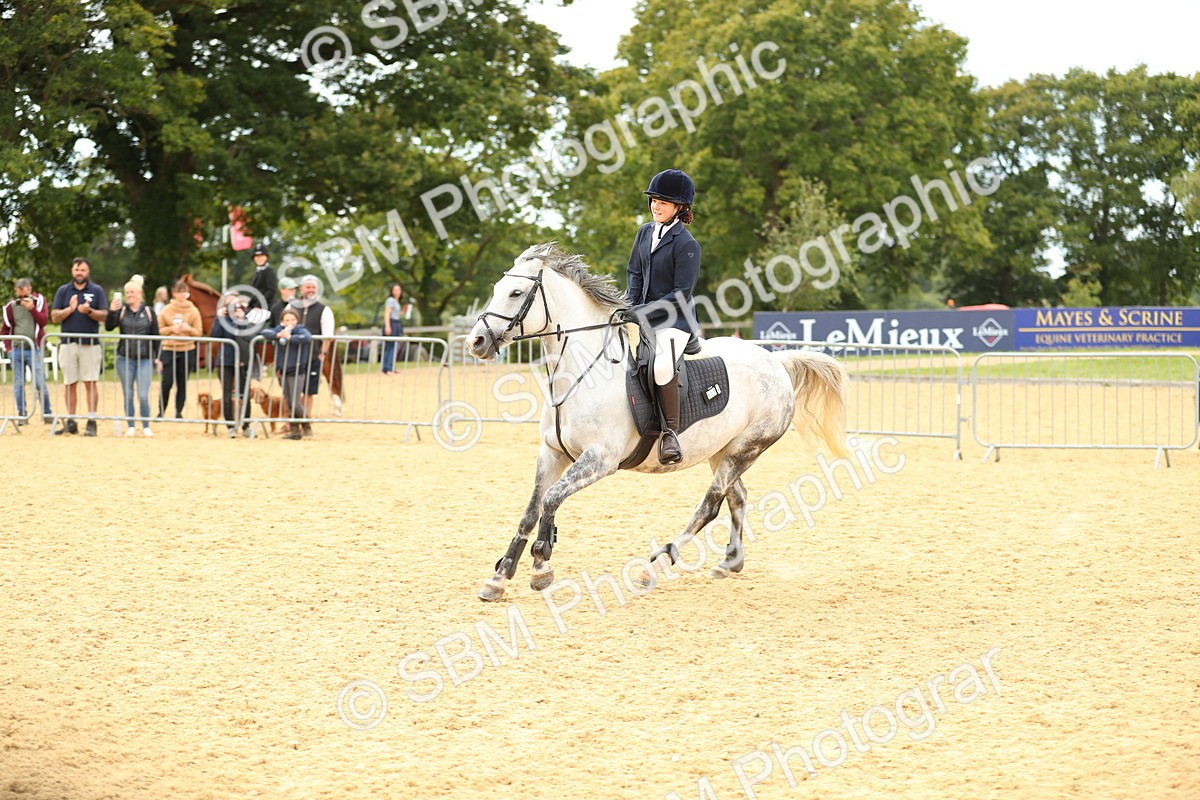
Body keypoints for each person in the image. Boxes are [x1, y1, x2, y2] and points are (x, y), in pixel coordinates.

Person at [624, 168, 701, 465]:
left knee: (661, 367)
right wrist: (630, 304)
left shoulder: (687, 244)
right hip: (641, 314)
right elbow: (634, 271)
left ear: (679, 208)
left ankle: (670, 433)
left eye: (664, 202)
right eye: (654, 200)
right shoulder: (644, 232)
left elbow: (682, 293)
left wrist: (642, 311)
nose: (656, 205)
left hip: (675, 320)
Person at [50, 258, 107, 436]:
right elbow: (54, 316)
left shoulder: (97, 291)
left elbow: (105, 315)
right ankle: (71, 420)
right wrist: (69, 309)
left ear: (88, 271)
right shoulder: (63, 291)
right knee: (70, 383)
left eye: (82, 270)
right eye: (76, 270)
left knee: (90, 382)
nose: (79, 273)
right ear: (72, 271)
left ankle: (91, 420)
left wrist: (89, 311)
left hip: (89, 344)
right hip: (68, 343)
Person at [105, 276, 158, 436]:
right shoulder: (121, 311)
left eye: (132, 292)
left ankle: (146, 425)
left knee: (143, 394)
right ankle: (131, 425)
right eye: (127, 292)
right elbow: (109, 327)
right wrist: (112, 311)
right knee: (128, 393)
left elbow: (156, 336)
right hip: (125, 358)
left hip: (145, 358)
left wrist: (158, 358)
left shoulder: (149, 312)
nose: (129, 295)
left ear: (140, 293)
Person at [0, 278, 52, 425]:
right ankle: (22, 415)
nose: (23, 299)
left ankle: (47, 413)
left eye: (25, 295)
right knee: (18, 383)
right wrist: (8, 348)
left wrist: (32, 309)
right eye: (20, 295)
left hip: (34, 348)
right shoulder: (10, 307)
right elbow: (5, 329)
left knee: (39, 382)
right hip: (16, 349)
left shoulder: (40, 301)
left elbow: (43, 321)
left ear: (30, 289)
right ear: (16, 291)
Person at [260, 306, 313, 440]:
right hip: (283, 371)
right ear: (282, 321)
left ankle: (306, 426)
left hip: (297, 370)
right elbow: (265, 332)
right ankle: (295, 431)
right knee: (288, 403)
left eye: (293, 319)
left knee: (296, 403)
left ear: (297, 320)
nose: (290, 322)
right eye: (287, 319)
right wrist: (278, 335)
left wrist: (290, 337)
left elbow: (307, 338)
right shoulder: (279, 330)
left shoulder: (301, 330)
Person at [156, 279, 203, 419]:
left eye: (185, 293)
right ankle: (161, 410)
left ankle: (179, 411)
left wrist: (188, 329)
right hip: (169, 349)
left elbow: (199, 331)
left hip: (187, 349)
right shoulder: (166, 310)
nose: (183, 295)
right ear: (174, 293)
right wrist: (172, 329)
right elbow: (159, 329)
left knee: (182, 383)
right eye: (180, 292)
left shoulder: (193, 311)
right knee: (167, 382)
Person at [211, 294, 256, 437]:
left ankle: (245, 425)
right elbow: (216, 335)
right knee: (226, 393)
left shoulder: (246, 319)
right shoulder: (222, 320)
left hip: (243, 360)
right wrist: (219, 318)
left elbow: (250, 334)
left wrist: (241, 319)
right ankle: (230, 426)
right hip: (226, 360)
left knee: (245, 393)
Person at [295, 274, 336, 428]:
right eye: (308, 287)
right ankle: (290, 422)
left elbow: (328, 336)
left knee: (308, 390)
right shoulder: (292, 307)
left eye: (313, 287)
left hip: (313, 356)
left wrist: (322, 355)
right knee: (292, 391)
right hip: (293, 356)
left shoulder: (324, 310)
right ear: (302, 289)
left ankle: (305, 420)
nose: (311, 290)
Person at [381, 282, 407, 373]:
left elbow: (396, 314)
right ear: (392, 291)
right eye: (395, 290)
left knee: (393, 346)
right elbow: (387, 313)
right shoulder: (390, 300)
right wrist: (388, 326)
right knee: (391, 346)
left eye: (398, 290)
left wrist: (404, 311)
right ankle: (388, 367)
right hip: (391, 323)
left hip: (396, 322)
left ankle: (389, 366)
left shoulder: (396, 302)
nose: (397, 292)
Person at [248, 242, 277, 312]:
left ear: (266, 257)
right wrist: (249, 304)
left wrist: (259, 305)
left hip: (265, 307)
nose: (259, 258)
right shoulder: (258, 272)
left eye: (261, 256)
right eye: (257, 256)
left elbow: (271, 290)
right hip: (256, 306)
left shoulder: (269, 271)